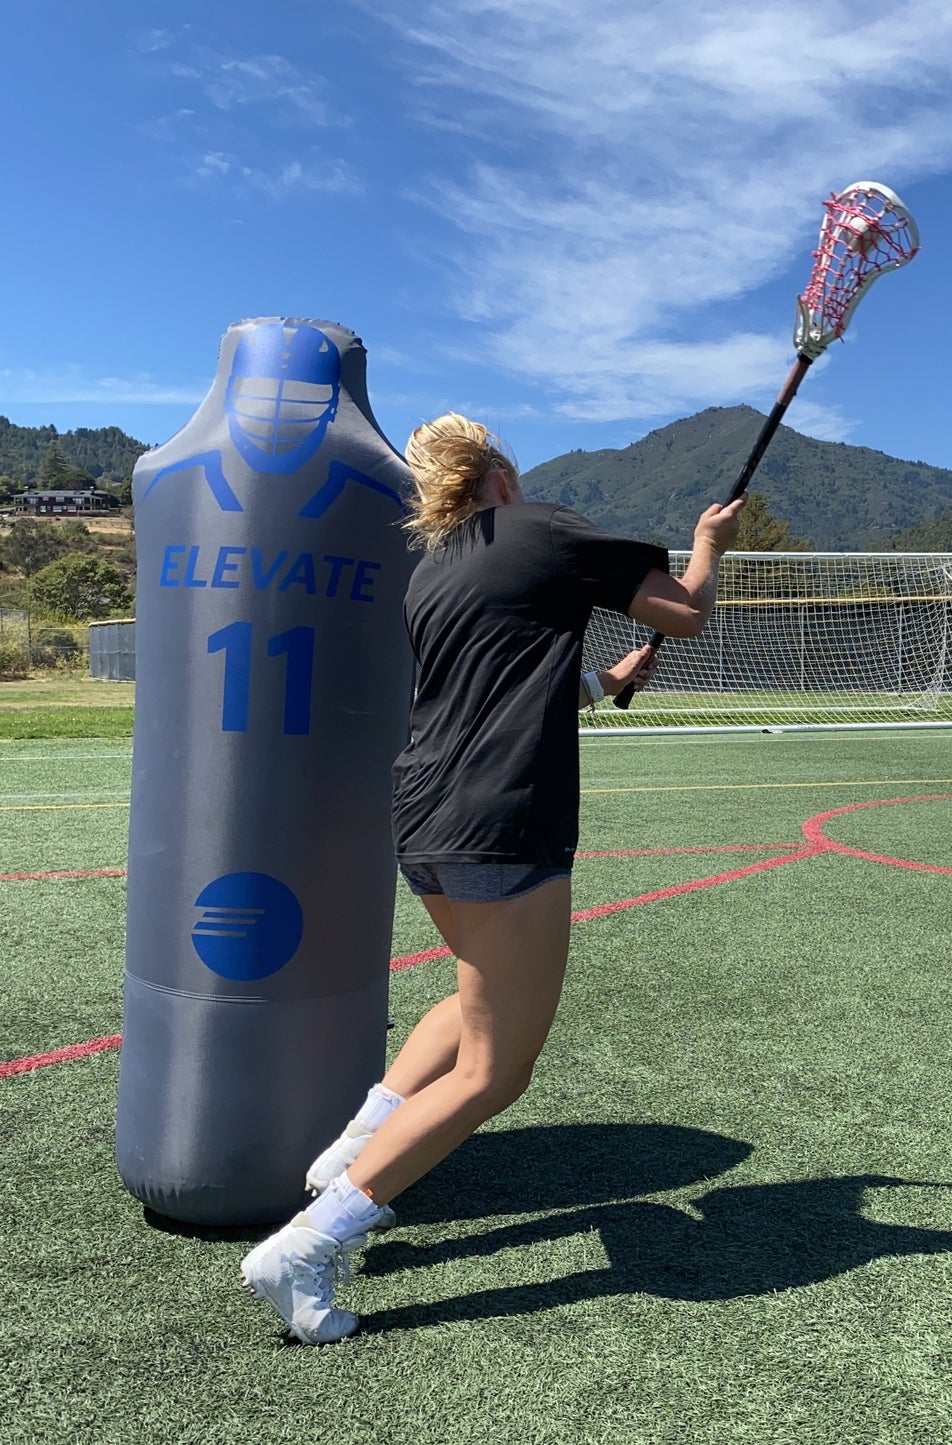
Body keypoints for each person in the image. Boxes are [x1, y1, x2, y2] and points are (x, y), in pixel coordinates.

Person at [241, 413, 745, 1343]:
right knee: (495, 1068)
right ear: (502, 472)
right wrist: (708, 544)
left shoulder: (433, 571)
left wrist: (597, 682)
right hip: (503, 819)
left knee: (472, 1000)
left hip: (427, 815)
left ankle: (357, 1140)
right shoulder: (544, 526)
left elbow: (499, 680)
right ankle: (309, 1241)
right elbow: (686, 612)